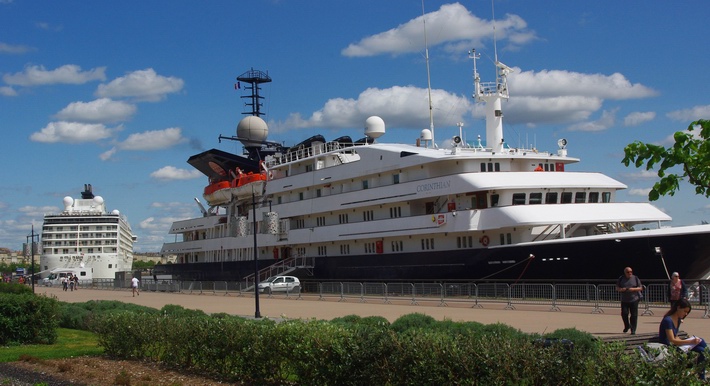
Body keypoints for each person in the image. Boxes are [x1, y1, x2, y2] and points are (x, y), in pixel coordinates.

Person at [659, 298, 706, 379]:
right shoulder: (668, 320)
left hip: (675, 346)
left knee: (702, 349)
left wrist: (686, 342)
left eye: (687, 312)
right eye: (685, 311)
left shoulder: (678, 320)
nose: (686, 314)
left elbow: (676, 336)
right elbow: (672, 340)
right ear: (678, 307)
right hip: (669, 348)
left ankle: (701, 376)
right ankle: (701, 376)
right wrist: (690, 341)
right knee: (701, 345)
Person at [616, 266, 642, 334]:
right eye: (628, 272)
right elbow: (617, 288)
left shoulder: (635, 278)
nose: (630, 273)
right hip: (624, 300)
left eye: (631, 272)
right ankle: (627, 325)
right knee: (624, 313)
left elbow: (640, 288)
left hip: (634, 299)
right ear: (625, 273)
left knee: (634, 315)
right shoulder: (621, 278)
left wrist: (633, 289)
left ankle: (633, 329)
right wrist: (622, 289)